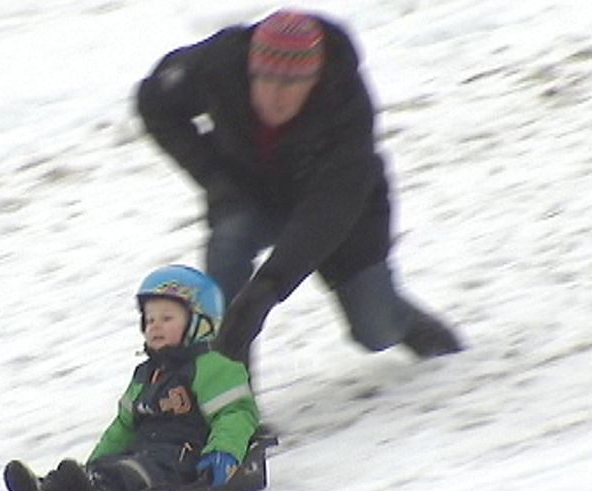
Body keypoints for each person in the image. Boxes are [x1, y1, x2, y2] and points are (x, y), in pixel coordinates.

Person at [136, 10, 463, 367]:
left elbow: (324, 216)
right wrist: (214, 177)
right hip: (249, 192)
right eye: (266, 79)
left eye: (291, 84)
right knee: (229, 245)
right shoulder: (220, 63)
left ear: (315, 79)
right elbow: (153, 101)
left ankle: (408, 323)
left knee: (375, 330)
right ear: (250, 69)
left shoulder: (347, 107)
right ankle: (230, 394)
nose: (276, 96)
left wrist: (266, 290)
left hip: (338, 210)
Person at [3, 265, 259, 491]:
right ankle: (51, 490)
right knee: (115, 464)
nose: (155, 326)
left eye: (167, 318)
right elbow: (123, 427)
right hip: (141, 453)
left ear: (200, 324)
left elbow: (235, 413)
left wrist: (224, 452)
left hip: (181, 459)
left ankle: (97, 489)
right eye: (150, 320)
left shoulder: (212, 367)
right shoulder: (144, 375)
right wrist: (94, 463)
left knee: (135, 471)